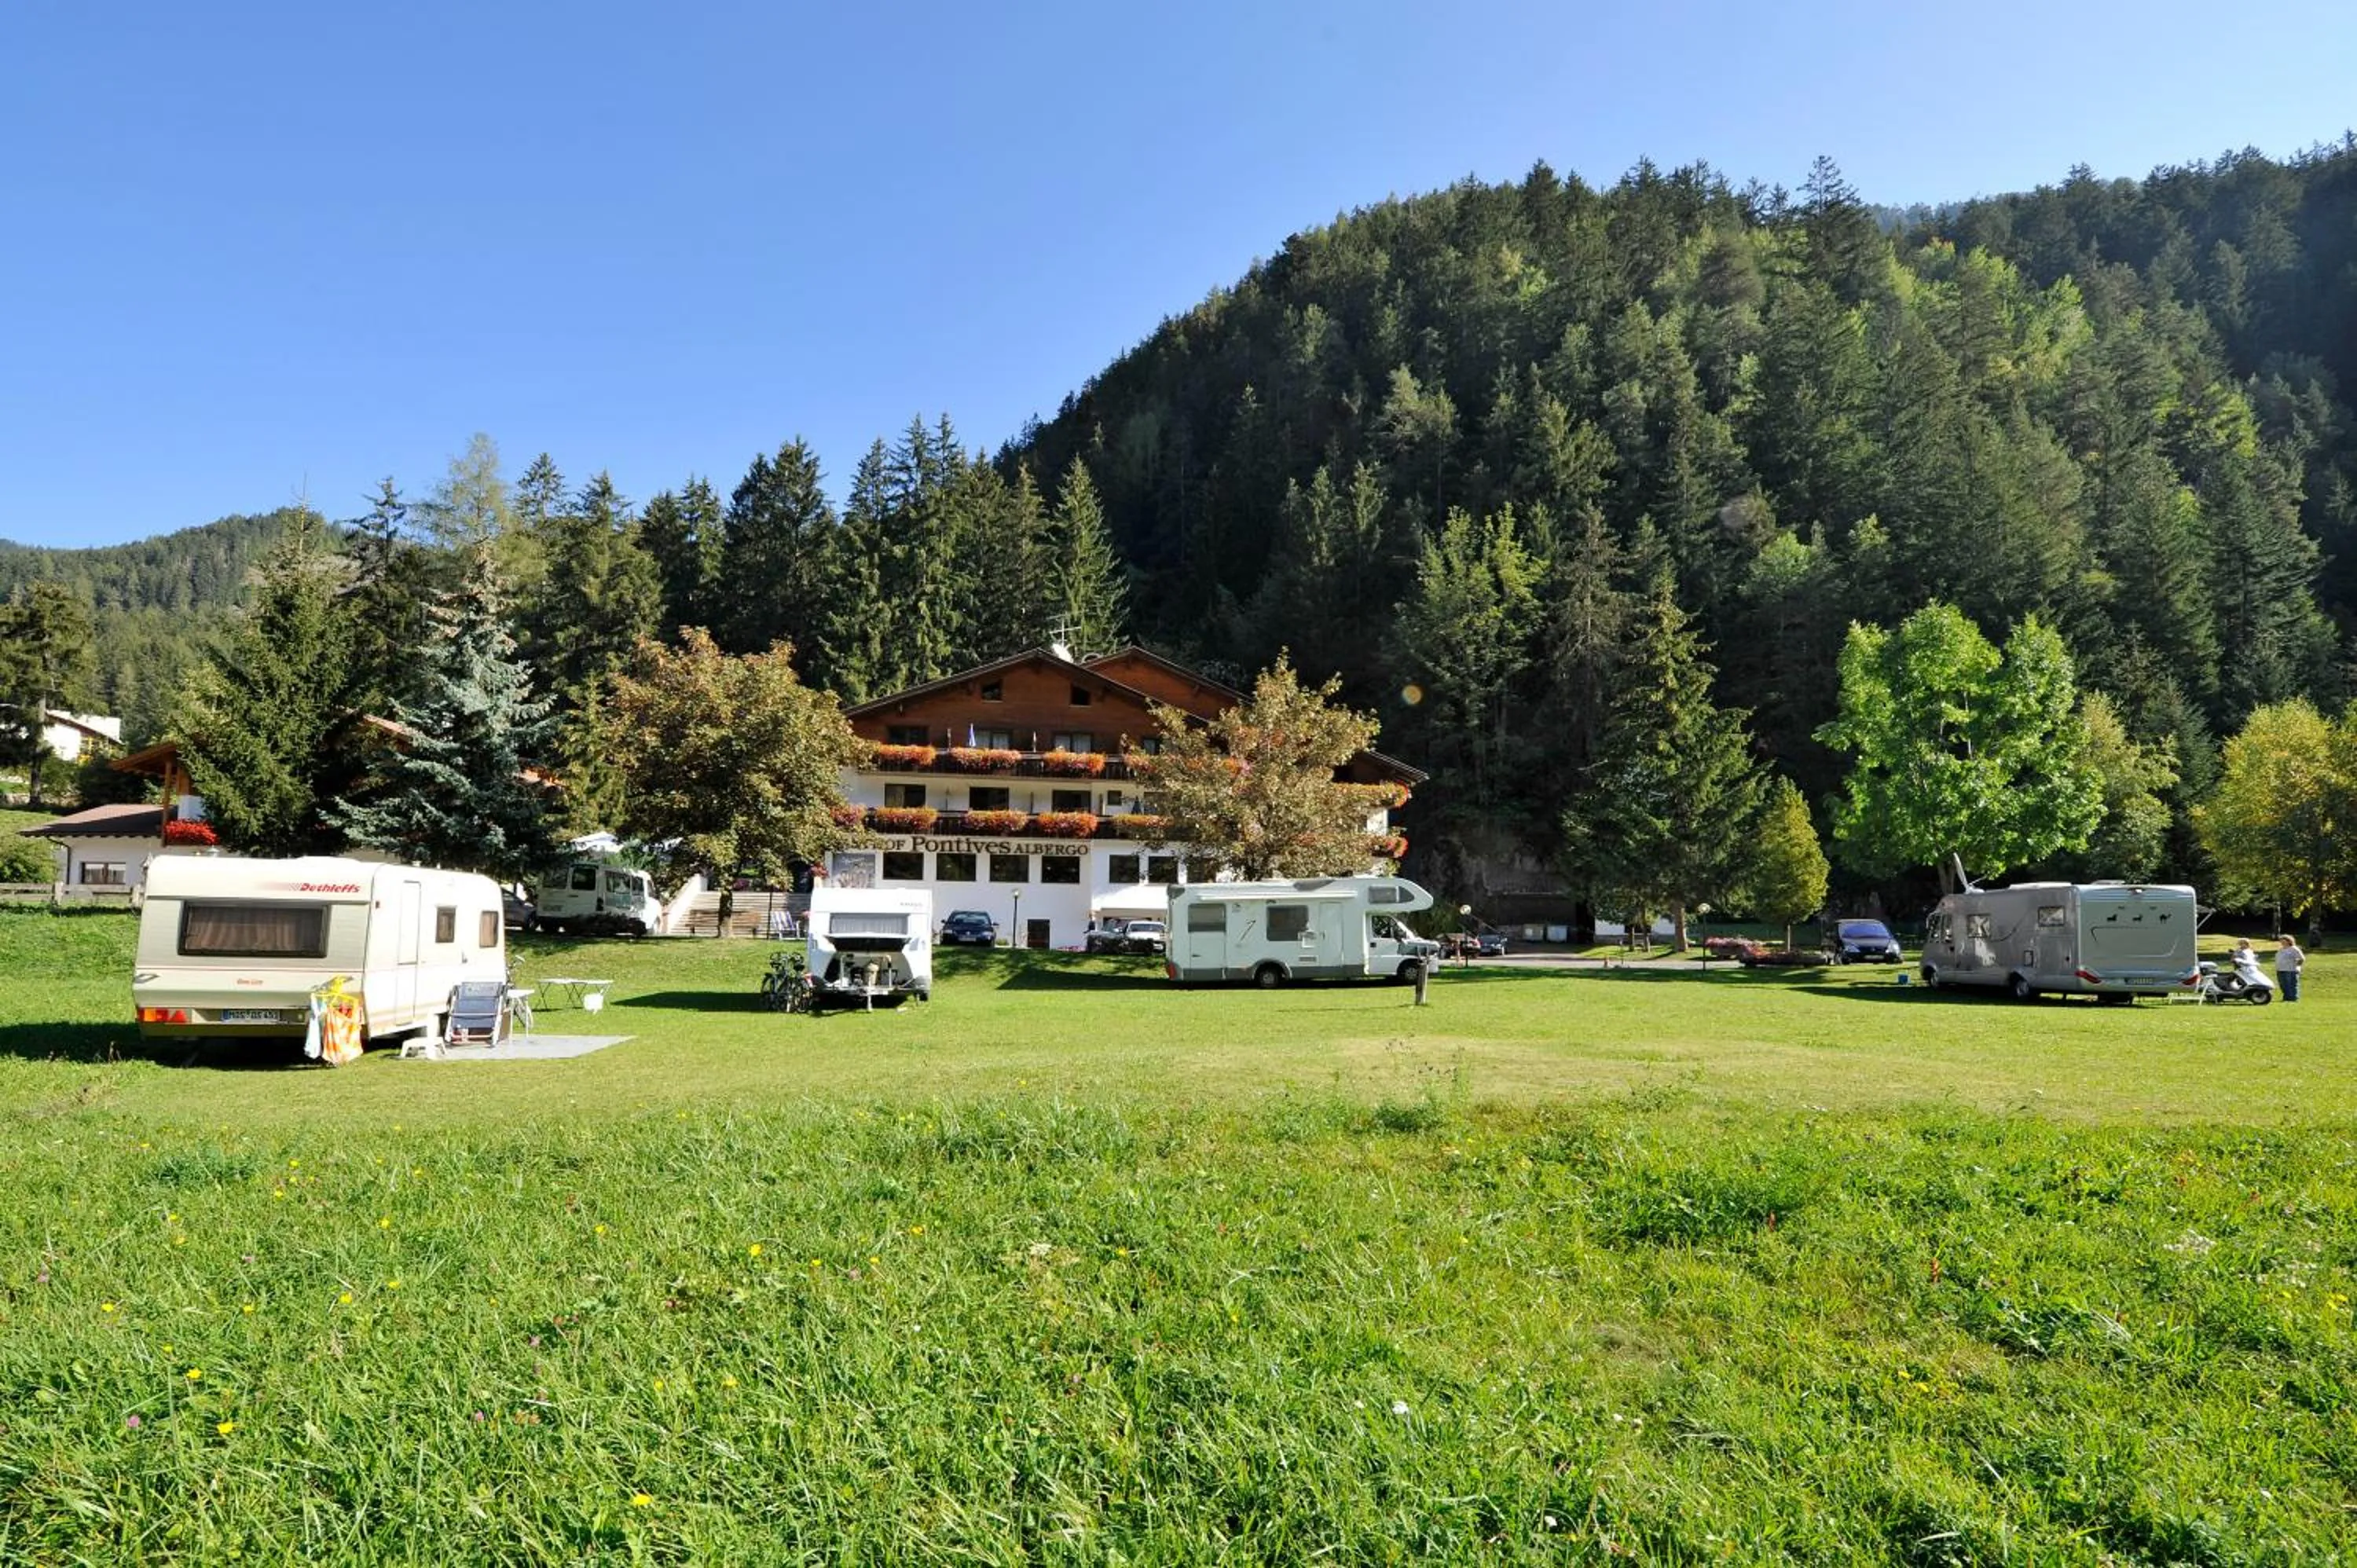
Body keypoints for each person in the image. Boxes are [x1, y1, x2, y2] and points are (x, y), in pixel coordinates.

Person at [2276, 934, 2305, 1002]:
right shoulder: (2281, 949)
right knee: (2283, 985)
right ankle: (2286, 998)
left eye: (2284, 941)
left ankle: (2293, 999)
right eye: (2281, 941)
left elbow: (2302, 958)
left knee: (2291, 985)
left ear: (2289, 941)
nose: (2282, 942)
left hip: (2290, 970)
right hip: (2280, 970)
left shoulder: (2293, 949)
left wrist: (2298, 967)